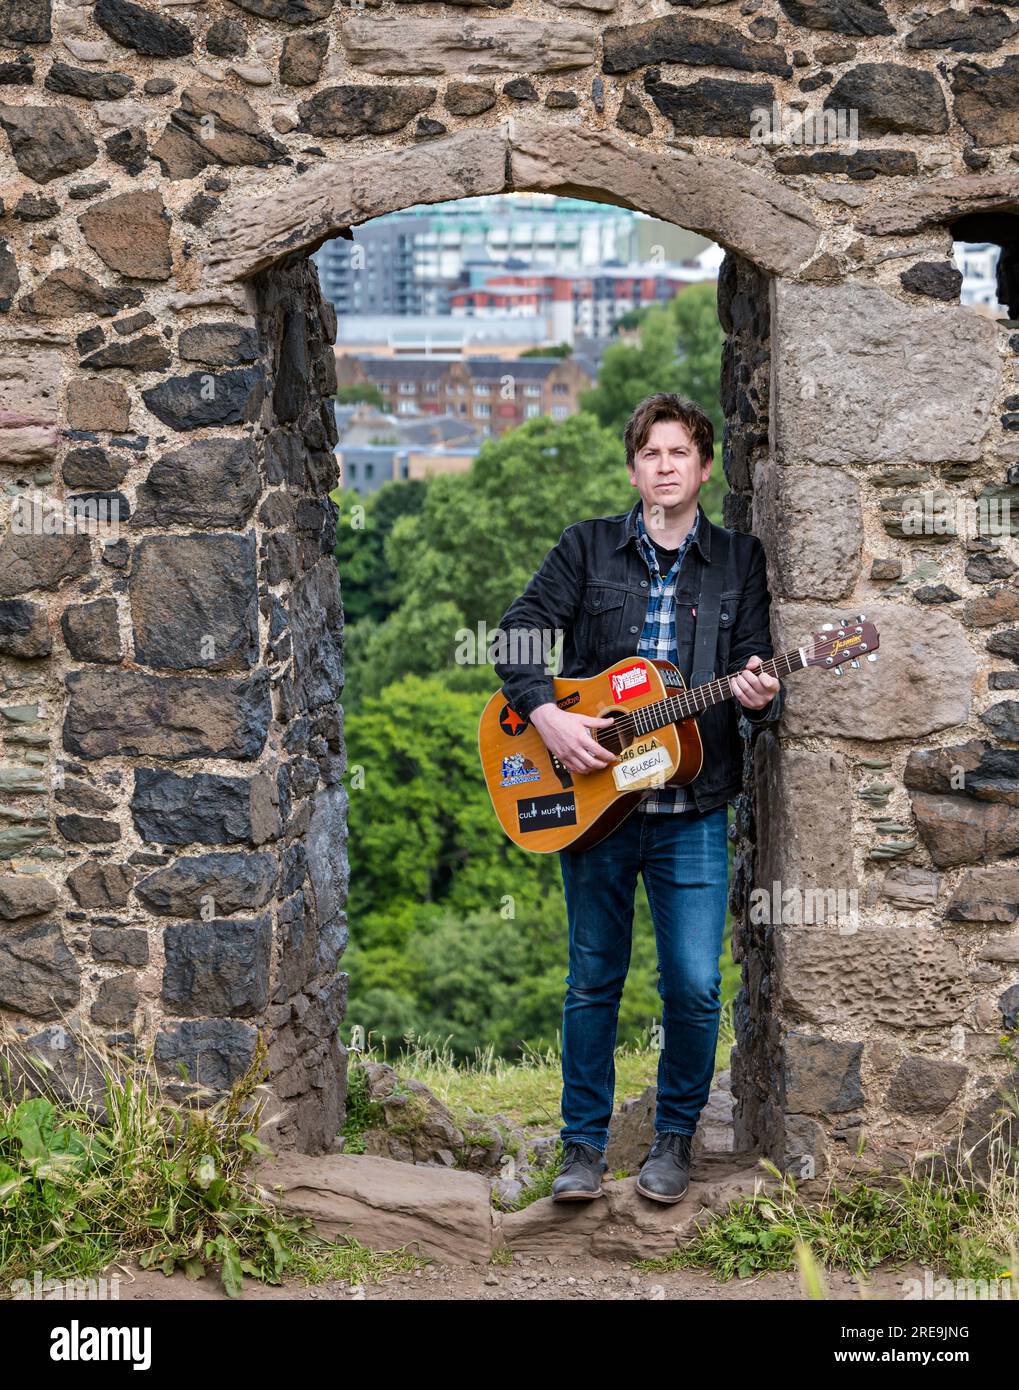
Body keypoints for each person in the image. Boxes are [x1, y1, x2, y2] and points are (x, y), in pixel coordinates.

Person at [492, 392, 782, 1204]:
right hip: (594, 807)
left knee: (692, 984)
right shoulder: (585, 549)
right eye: (650, 454)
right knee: (592, 979)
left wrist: (761, 692)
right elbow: (516, 633)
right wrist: (546, 716)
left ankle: (673, 1140)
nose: (664, 466)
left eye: (679, 453)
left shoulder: (738, 561)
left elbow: (754, 660)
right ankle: (581, 1149)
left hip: (690, 809)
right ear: (633, 467)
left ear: (703, 465)